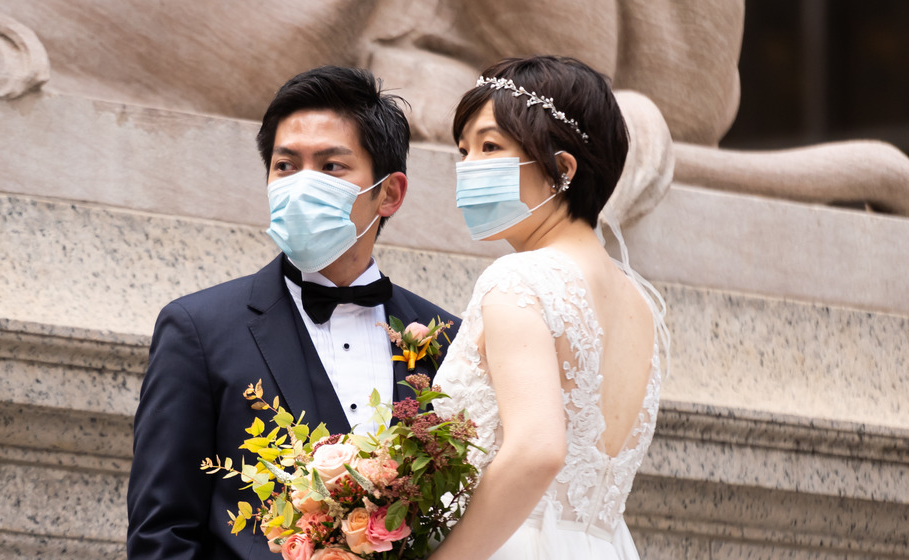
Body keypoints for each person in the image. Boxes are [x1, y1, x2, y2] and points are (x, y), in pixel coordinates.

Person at [126, 65, 459, 560]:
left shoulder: (446, 339)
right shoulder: (198, 328)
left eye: (330, 167)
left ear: (389, 193)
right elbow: (162, 531)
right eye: (286, 166)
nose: (302, 184)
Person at [430, 55, 669, 560]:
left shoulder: (520, 279)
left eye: (490, 146)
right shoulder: (640, 305)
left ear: (561, 169)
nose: (467, 167)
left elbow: (538, 450)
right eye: (463, 149)